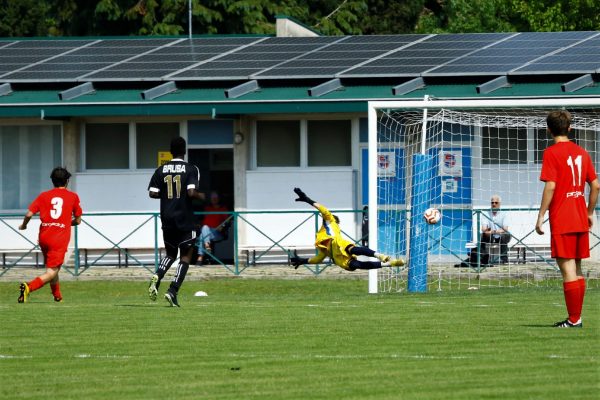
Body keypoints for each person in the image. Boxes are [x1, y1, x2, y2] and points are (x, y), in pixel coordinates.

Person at [535, 110, 599, 328]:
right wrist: (590, 212)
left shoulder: (551, 153)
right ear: (570, 128)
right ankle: (576, 318)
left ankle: (573, 319)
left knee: (568, 270)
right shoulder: (582, 152)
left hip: (562, 217)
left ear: (548, 130)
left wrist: (541, 214)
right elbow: (596, 185)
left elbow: (551, 185)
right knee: (578, 269)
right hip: (580, 216)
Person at [147, 137, 205, 307]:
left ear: (171, 151)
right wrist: (203, 197)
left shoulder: (160, 170)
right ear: (184, 151)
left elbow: (152, 193)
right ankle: (172, 290)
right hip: (185, 218)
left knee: (171, 254)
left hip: (167, 218)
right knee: (186, 256)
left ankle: (158, 274)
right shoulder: (191, 168)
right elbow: (191, 192)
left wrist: (166, 195)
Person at [290, 188, 405, 271]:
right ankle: (389, 264)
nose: (325, 218)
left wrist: (308, 200)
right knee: (357, 265)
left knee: (354, 249)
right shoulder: (321, 239)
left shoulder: (330, 221)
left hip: (337, 244)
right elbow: (318, 258)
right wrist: (303, 261)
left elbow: (324, 211)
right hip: (337, 257)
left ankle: (381, 256)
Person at [17, 167, 82, 303]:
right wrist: (65, 223)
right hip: (59, 239)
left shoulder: (43, 196)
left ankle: (57, 296)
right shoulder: (73, 196)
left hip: (44, 236)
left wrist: (24, 225)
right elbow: (77, 220)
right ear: (67, 181)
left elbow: (29, 214)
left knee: (53, 268)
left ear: (52, 181)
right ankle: (28, 287)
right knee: (52, 271)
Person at [197, 191, 230, 264]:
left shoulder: (223, 209)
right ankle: (206, 246)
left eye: (216, 198)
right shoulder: (207, 208)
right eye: (212, 198)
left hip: (217, 232)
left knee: (203, 231)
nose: (214, 199)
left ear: (219, 199)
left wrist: (223, 226)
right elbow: (200, 219)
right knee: (203, 232)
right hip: (206, 232)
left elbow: (227, 221)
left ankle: (200, 256)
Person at [480, 194, 511, 264]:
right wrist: (487, 232)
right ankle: (483, 259)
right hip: (491, 236)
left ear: (499, 204)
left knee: (504, 235)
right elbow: (483, 229)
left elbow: (505, 229)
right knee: (482, 236)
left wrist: (494, 231)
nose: (494, 204)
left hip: (502, 235)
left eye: (496, 202)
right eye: (492, 202)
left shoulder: (504, 213)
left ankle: (504, 260)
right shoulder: (486, 213)